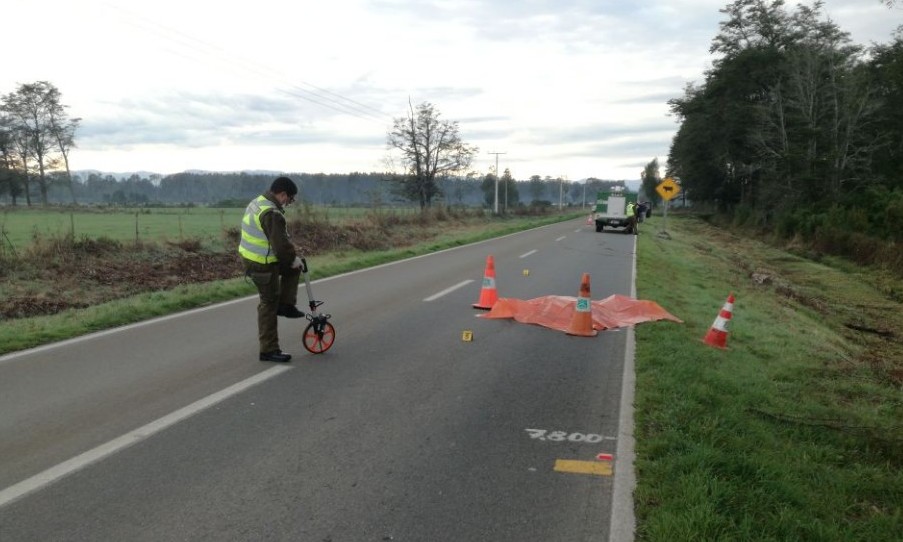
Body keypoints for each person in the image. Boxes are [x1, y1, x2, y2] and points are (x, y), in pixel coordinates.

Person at [238, 176, 306, 363]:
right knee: (268, 303)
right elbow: (281, 246)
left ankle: (286, 305)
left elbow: (279, 243)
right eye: (290, 199)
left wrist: (293, 262)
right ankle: (268, 350)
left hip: (256, 258)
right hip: (261, 263)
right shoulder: (272, 214)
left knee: (293, 269)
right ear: (282, 194)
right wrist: (293, 259)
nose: (289, 202)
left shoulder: (259, 202)